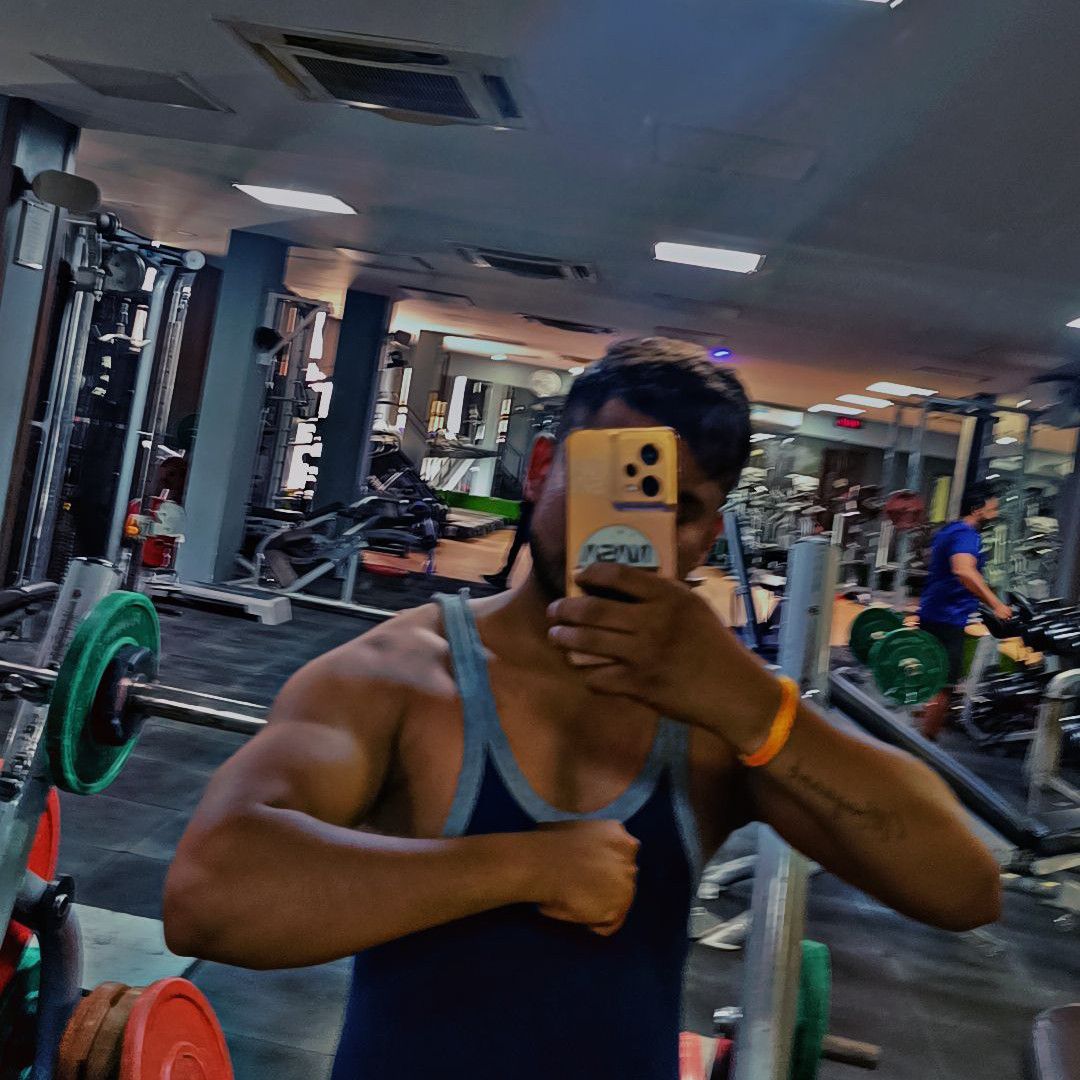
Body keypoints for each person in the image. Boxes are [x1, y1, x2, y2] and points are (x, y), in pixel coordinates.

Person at [164, 338, 1001, 1080]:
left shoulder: (718, 723)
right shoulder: (403, 675)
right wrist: (525, 867)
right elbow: (209, 894)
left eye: (679, 508)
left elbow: (963, 888)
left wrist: (750, 700)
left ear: (708, 536)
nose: (637, 528)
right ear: (542, 470)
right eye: (612, 481)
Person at [916, 483, 1012, 741]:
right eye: (992, 507)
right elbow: (963, 571)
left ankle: (923, 724)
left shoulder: (950, 530)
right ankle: (925, 744)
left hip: (935, 610)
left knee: (935, 674)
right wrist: (996, 604)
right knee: (945, 684)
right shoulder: (966, 534)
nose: (996, 512)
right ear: (977, 508)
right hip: (947, 616)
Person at [483, 430, 556, 591]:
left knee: (530, 544)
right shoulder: (545, 463)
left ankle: (527, 580)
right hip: (533, 505)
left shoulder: (545, 464)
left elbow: (539, 483)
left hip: (535, 506)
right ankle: (507, 575)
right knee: (522, 543)